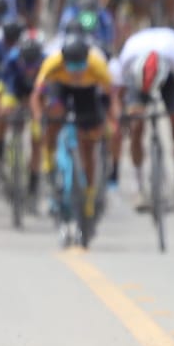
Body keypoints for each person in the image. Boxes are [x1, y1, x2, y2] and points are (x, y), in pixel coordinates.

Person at [31, 34, 118, 221]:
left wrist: (112, 121)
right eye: (73, 68)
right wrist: (38, 120)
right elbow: (37, 96)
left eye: (80, 68)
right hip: (60, 88)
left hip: (87, 93)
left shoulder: (97, 65)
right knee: (54, 115)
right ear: (65, 62)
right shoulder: (52, 64)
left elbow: (111, 97)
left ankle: (89, 194)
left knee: (89, 145)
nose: (77, 74)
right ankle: (49, 158)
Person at [117, 26, 174, 211]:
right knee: (136, 126)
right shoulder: (127, 58)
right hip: (139, 76)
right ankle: (138, 186)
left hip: (169, 78)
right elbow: (119, 93)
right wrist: (123, 115)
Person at [0, 35, 47, 202]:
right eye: (27, 65)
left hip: (37, 93)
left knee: (37, 136)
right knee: (4, 111)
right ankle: (1, 148)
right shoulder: (10, 60)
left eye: (33, 65)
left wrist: (40, 114)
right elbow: (0, 87)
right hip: (15, 89)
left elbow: (48, 93)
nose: (30, 69)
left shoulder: (46, 62)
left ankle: (33, 181)